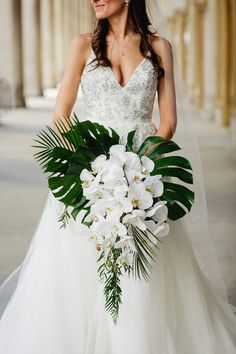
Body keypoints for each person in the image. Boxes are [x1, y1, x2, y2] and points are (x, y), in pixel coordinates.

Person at [0, 0, 236, 353]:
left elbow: (168, 121)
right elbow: (61, 117)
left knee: (144, 272)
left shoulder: (159, 48)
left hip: (143, 177)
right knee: (81, 268)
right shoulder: (82, 44)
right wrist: (85, 165)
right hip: (92, 174)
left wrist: (142, 170)